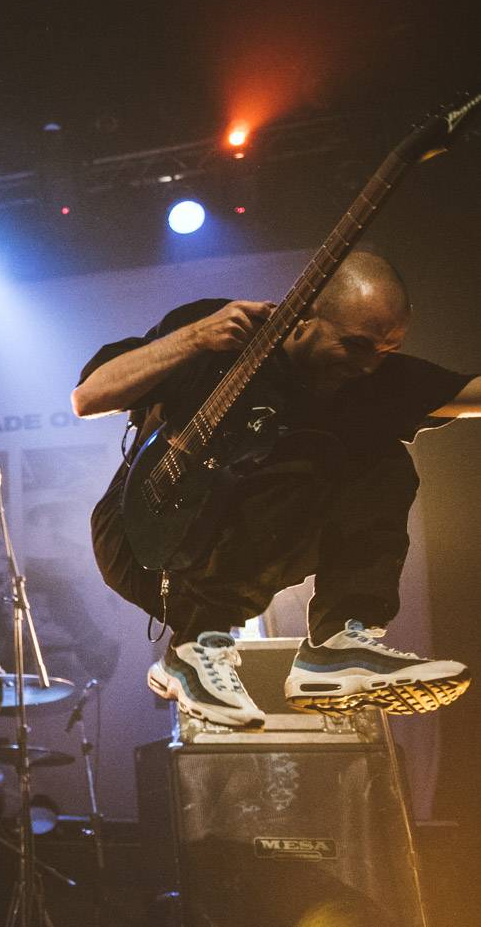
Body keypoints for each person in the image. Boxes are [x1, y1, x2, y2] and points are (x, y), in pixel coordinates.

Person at [72, 251, 478, 728]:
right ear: (303, 317)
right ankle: (195, 644)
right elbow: (89, 397)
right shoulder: (219, 331)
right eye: (356, 345)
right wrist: (195, 338)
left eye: (385, 351)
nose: (370, 364)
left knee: (383, 459)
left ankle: (337, 645)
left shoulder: (372, 379)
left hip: (236, 550)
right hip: (141, 539)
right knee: (300, 461)